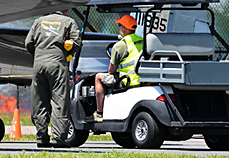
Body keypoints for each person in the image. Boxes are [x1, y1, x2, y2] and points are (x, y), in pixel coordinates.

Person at [24, 9, 82, 148]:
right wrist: (68, 53)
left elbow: (28, 43)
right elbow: (77, 42)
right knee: (60, 101)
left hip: (38, 65)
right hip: (57, 64)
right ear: (65, 10)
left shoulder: (38, 21)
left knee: (40, 100)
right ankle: (58, 139)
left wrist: (39, 55)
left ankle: (41, 137)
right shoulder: (68, 22)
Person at [94, 13, 142, 122]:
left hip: (126, 81)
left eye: (120, 25)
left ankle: (99, 113)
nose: (119, 28)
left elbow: (111, 71)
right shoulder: (143, 41)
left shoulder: (120, 45)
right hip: (141, 79)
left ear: (124, 29)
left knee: (98, 77)